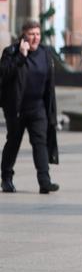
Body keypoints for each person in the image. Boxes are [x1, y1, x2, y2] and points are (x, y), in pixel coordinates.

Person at [0, 20, 60, 194]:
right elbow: (3, 73)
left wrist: (50, 110)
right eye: (31, 34)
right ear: (23, 36)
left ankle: (44, 181)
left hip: (38, 108)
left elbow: (50, 84)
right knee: (13, 143)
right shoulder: (11, 52)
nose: (35, 38)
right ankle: (6, 178)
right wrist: (21, 56)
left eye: (38, 34)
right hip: (16, 109)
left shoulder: (45, 54)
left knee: (40, 143)